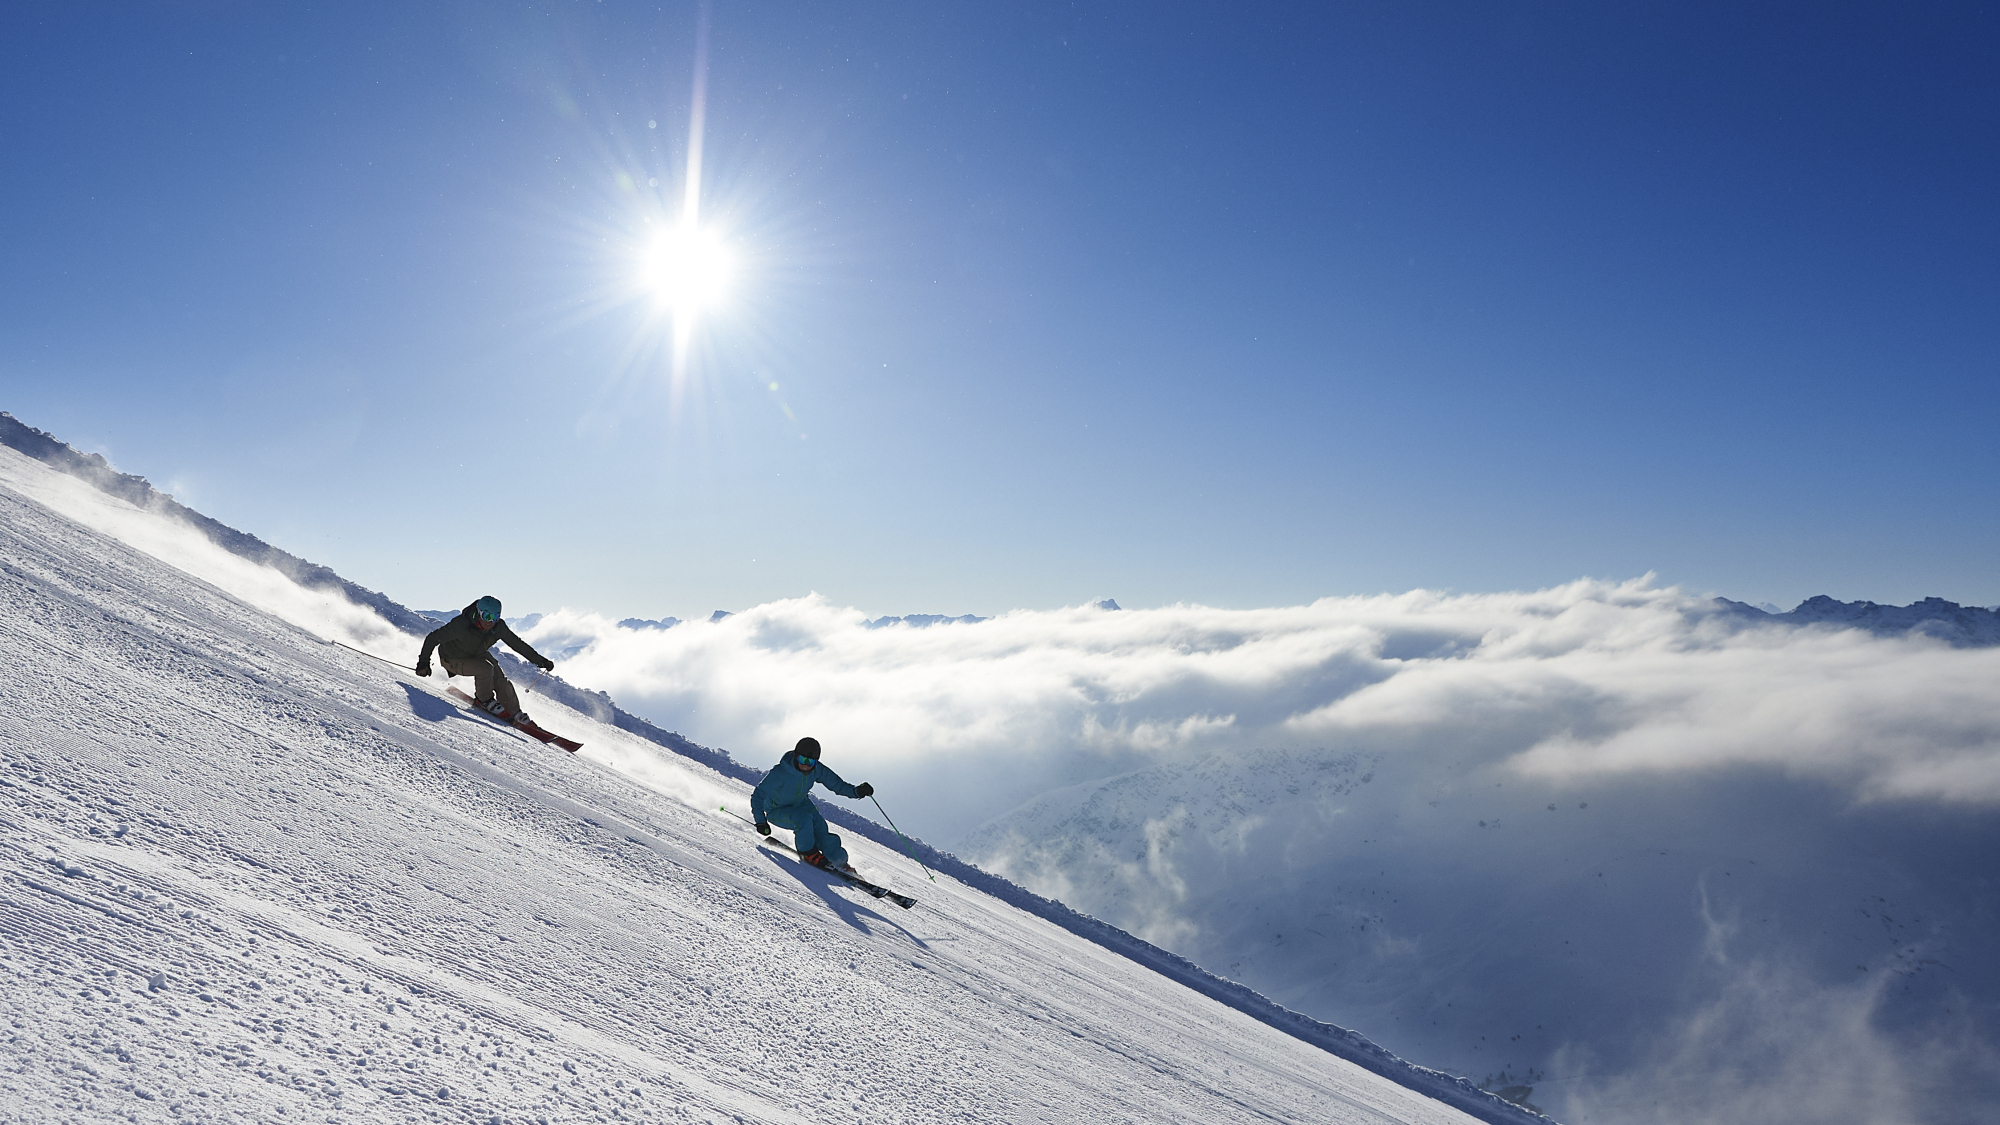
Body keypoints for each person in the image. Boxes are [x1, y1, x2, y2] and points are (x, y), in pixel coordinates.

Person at [415, 596, 555, 723]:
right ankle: (484, 701)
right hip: (452, 658)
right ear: (478, 613)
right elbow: (433, 638)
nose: (490, 621)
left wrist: (540, 661)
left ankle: (515, 713)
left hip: (476, 653)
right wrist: (424, 662)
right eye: (486, 616)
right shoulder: (462, 625)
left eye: (494, 617)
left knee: (499, 676)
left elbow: (517, 644)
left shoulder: (498, 627)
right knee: (485, 668)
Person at [751, 737, 874, 872]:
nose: (806, 765)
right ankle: (808, 853)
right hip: (777, 810)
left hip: (801, 804)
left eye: (810, 762)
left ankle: (839, 862)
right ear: (796, 756)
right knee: (803, 819)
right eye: (802, 760)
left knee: (820, 828)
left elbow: (837, 785)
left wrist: (856, 792)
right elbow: (758, 795)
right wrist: (760, 821)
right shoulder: (780, 773)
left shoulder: (817, 769)